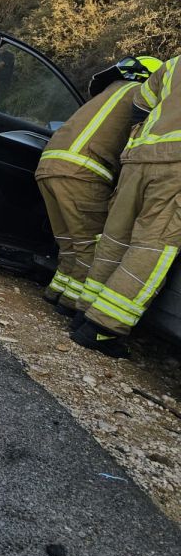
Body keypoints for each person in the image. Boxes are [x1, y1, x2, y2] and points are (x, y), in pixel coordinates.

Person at [34, 56, 161, 317]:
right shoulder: (143, 99)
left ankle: (55, 292)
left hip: (49, 165)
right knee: (90, 246)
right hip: (83, 172)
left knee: (69, 243)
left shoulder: (109, 90)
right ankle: (71, 306)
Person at [73, 54, 181, 356]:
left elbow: (141, 104)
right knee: (153, 247)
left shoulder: (174, 64)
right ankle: (103, 329)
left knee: (114, 238)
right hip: (176, 171)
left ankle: (85, 312)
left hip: (138, 159)